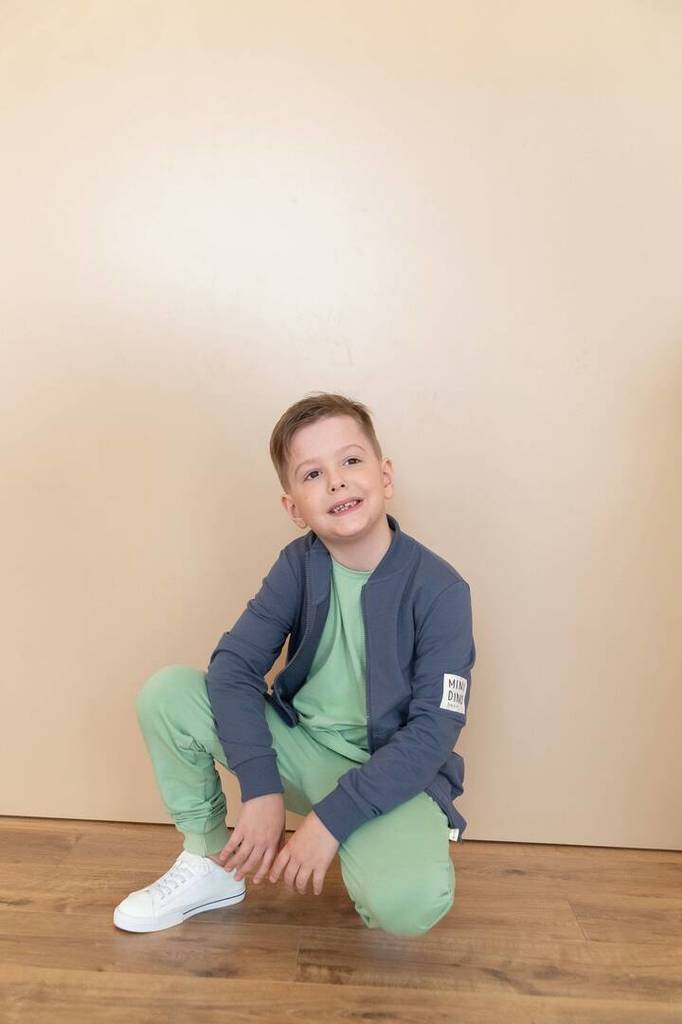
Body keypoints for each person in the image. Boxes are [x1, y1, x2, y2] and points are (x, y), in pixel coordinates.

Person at [113, 391, 476, 936]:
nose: (336, 482)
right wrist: (260, 789)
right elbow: (234, 667)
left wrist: (331, 820)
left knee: (408, 908)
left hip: (391, 772)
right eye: (313, 474)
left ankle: (371, 842)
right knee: (168, 694)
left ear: (385, 476)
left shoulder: (442, 590)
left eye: (350, 461)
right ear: (294, 509)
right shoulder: (298, 564)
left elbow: (434, 730)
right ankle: (211, 863)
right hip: (299, 749)